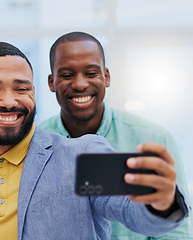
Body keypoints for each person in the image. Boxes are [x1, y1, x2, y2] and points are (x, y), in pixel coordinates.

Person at [0, 41, 189, 239]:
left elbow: (131, 211)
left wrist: (162, 202)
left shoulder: (83, 156)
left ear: (34, 92)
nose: (10, 101)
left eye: (22, 88)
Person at [40, 31, 193, 239]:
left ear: (107, 77)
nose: (80, 84)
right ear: (51, 82)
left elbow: (176, 232)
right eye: (67, 75)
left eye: (91, 73)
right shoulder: (37, 145)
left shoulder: (153, 138)